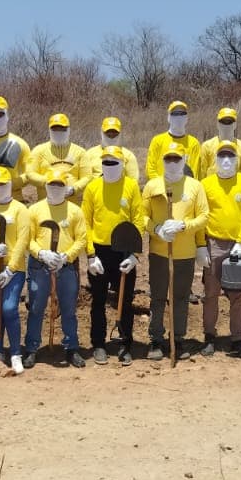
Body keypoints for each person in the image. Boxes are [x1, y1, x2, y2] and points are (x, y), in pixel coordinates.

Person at [143, 141, 208, 359]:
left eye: (176, 159)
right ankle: (156, 339)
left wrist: (184, 226)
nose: (172, 163)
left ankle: (177, 339)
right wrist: (157, 229)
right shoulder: (153, 186)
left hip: (185, 253)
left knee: (180, 297)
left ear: (184, 161)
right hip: (160, 252)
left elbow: (204, 217)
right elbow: (141, 217)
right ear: (162, 161)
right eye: (168, 159)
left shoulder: (194, 186)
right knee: (158, 297)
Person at [81, 145, 146, 365]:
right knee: (98, 301)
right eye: (105, 162)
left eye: (113, 162)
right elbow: (85, 224)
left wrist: (135, 255)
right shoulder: (92, 187)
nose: (109, 166)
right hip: (100, 251)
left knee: (125, 301)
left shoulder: (131, 186)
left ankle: (125, 343)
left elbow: (138, 220)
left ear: (122, 164)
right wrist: (90, 255)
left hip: (124, 250)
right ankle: (98, 344)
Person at [22, 170, 88, 368]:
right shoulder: (34, 210)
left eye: (60, 185)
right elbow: (27, 239)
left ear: (65, 186)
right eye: (52, 185)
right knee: (36, 308)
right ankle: (32, 348)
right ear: (46, 186)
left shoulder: (75, 211)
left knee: (68, 309)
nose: (56, 188)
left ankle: (71, 348)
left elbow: (82, 238)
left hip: (65, 267)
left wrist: (66, 257)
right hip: (39, 266)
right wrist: (41, 253)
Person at [199, 138, 241, 358]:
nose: (226, 160)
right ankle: (209, 337)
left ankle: (238, 339)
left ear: (237, 159)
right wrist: (201, 245)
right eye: (222, 156)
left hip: (237, 246)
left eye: (230, 156)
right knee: (211, 293)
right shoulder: (206, 184)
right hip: (213, 243)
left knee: (237, 295)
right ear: (215, 159)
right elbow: (202, 214)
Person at [0, 165, 30, 372]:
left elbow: (23, 239)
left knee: (9, 309)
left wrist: (10, 269)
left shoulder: (20, 209)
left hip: (14, 269)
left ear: (10, 185)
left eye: (3, 184)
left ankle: (16, 353)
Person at [27, 113, 92, 200]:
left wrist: (74, 189)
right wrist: (48, 182)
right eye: (55, 129)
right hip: (46, 205)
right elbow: (30, 174)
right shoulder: (38, 151)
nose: (58, 132)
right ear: (49, 130)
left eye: (62, 129)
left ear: (69, 130)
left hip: (72, 206)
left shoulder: (81, 152)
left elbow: (87, 177)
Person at [145, 100, 200, 183]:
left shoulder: (193, 143)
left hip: (184, 191)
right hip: (161, 190)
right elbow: (150, 169)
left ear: (186, 118)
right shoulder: (157, 141)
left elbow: (195, 172)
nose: (179, 117)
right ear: (169, 118)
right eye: (175, 114)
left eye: (182, 114)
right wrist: (161, 186)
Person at [86, 116, 140, 184]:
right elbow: (85, 178)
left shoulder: (128, 155)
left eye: (115, 132)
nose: (111, 134)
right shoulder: (89, 154)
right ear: (102, 132)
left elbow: (133, 180)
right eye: (108, 132)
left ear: (120, 133)